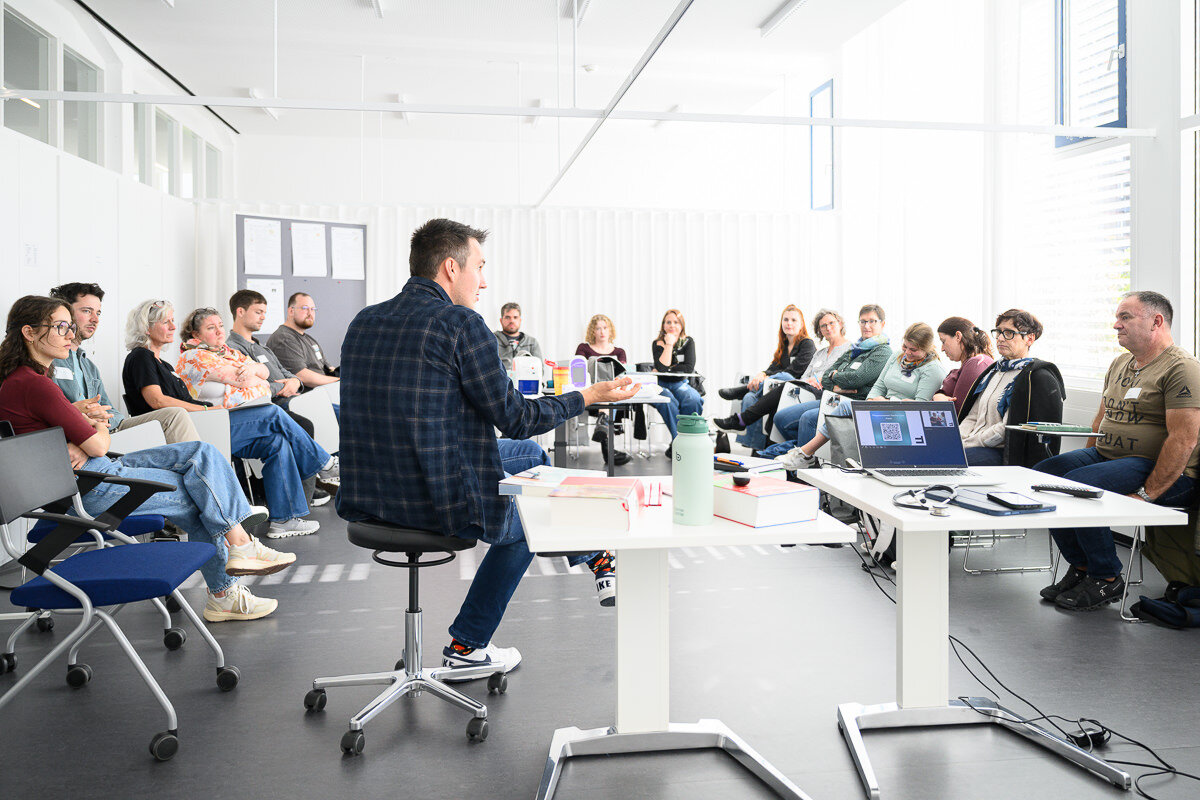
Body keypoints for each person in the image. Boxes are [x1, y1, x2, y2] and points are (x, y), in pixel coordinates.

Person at [337, 218, 639, 678]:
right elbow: (518, 418)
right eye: (480, 266)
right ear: (451, 267)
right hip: (432, 497)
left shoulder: (363, 321)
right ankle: (468, 644)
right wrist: (590, 396)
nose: (484, 279)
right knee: (529, 519)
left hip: (369, 494)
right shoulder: (460, 324)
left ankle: (593, 552)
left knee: (533, 461)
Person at [0, 295, 294, 622]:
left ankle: (238, 552)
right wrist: (93, 427)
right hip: (92, 488)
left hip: (97, 473)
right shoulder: (36, 385)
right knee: (203, 497)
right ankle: (227, 586)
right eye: (61, 327)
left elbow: (89, 435)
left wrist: (85, 430)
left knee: (202, 452)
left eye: (70, 327)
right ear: (28, 332)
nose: (71, 335)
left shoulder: (24, 381)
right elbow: (98, 440)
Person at [1035, 292, 1200, 611]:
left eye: (1126, 317)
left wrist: (1146, 496)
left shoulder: (1182, 368)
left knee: (1079, 485)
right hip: (1109, 456)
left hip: (1157, 468)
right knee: (1045, 474)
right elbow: (1102, 418)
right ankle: (1083, 568)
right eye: (1117, 317)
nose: (1116, 325)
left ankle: (1106, 577)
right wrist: (1083, 459)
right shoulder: (1119, 363)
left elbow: (1184, 440)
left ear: (1156, 321)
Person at [121, 299, 337, 538]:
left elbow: (259, 376)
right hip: (194, 429)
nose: (172, 326)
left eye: (173, 320)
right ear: (146, 327)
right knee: (273, 413)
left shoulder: (165, 362)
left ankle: (284, 520)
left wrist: (255, 378)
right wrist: (207, 410)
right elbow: (157, 401)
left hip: (211, 422)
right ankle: (323, 465)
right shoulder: (142, 357)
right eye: (166, 321)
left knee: (278, 442)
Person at [771, 322, 943, 467]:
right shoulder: (898, 356)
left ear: (926, 349)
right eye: (905, 346)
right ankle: (805, 454)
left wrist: (886, 403)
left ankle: (805, 454)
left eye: (913, 350)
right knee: (837, 408)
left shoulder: (932, 369)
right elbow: (879, 385)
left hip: (901, 418)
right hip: (879, 405)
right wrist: (871, 402)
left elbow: (919, 407)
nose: (907, 352)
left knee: (843, 406)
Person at [47, 282, 201, 445]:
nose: (95, 319)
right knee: (178, 415)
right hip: (85, 435)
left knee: (175, 416)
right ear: (64, 314)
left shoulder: (89, 366)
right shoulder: (49, 363)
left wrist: (103, 419)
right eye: (87, 311)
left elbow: (110, 410)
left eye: (98, 313)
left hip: (109, 430)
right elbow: (157, 400)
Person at [762, 304, 891, 454]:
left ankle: (802, 462)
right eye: (863, 321)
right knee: (781, 418)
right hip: (832, 397)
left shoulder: (882, 351)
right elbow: (828, 379)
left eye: (872, 321)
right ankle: (799, 452)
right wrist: (835, 379)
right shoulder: (855, 349)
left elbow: (856, 378)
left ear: (882, 323)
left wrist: (835, 376)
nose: (866, 326)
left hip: (852, 402)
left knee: (807, 418)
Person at [713, 308, 850, 440]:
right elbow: (803, 376)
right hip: (803, 387)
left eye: (831, 323)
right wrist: (763, 374)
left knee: (783, 381)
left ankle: (741, 419)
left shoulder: (849, 349)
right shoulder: (820, 353)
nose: (827, 327)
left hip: (822, 393)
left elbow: (844, 377)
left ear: (840, 324)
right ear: (819, 330)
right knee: (766, 394)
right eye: (823, 325)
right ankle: (754, 434)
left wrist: (823, 379)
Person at [955, 309, 1064, 467]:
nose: (1000, 338)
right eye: (998, 332)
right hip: (973, 445)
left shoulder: (1034, 377)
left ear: (1029, 339)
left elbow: (1004, 430)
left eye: (1009, 333)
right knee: (937, 455)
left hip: (1002, 453)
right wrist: (956, 441)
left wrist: (967, 444)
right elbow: (973, 416)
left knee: (948, 462)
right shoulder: (994, 371)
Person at [715, 305, 815, 450]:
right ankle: (755, 449)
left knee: (785, 375)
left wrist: (766, 377)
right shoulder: (783, 346)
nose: (789, 323)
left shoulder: (807, 344)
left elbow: (794, 372)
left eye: (794, 320)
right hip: (777, 389)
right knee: (749, 397)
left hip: (797, 391)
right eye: (786, 319)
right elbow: (772, 369)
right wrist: (761, 374)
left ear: (801, 324)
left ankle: (740, 391)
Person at [576, 314, 631, 466]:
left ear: (610, 330)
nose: (602, 331)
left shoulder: (619, 352)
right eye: (597, 328)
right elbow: (578, 371)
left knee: (610, 392)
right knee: (608, 396)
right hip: (590, 394)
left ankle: (603, 424)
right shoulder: (583, 348)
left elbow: (621, 375)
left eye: (605, 328)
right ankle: (608, 450)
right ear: (592, 331)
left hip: (612, 393)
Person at [648, 309, 704, 452]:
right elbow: (661, 367)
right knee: (668, 401)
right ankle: (680, 442)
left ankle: (689, 439)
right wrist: (669, 344)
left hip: (680, 384)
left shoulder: (688, 342)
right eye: (668, 322)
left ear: (681, 325)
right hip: (661, 385)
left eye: (676, 322)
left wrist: (668, 369)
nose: (672, 325)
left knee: (693, 398)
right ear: (663, 325)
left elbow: (689, 367)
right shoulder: (658, 343)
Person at [266, 293, 340, 389]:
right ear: (291, 311)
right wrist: (339, 381)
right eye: (305, 308)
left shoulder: (310, 340)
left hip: (325, 392)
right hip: (305, 398)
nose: (310, 313)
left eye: (313, 309)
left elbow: (328, 368)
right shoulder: (284, 339)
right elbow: (303, 376)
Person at [932, 317, 995, 417]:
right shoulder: (973, 364)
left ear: (958, 336)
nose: (942, 349)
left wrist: (938, 399)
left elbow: (958, 412)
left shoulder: (977, 363)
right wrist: (938, 396)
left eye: (943, 341)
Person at [494, 302, 543, 371]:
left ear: (520, 320)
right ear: (501, 320)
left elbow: (540, 370)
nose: (512, 321)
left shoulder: (532, 342)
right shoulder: (492, 340)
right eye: (507, 317)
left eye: (515, 317)